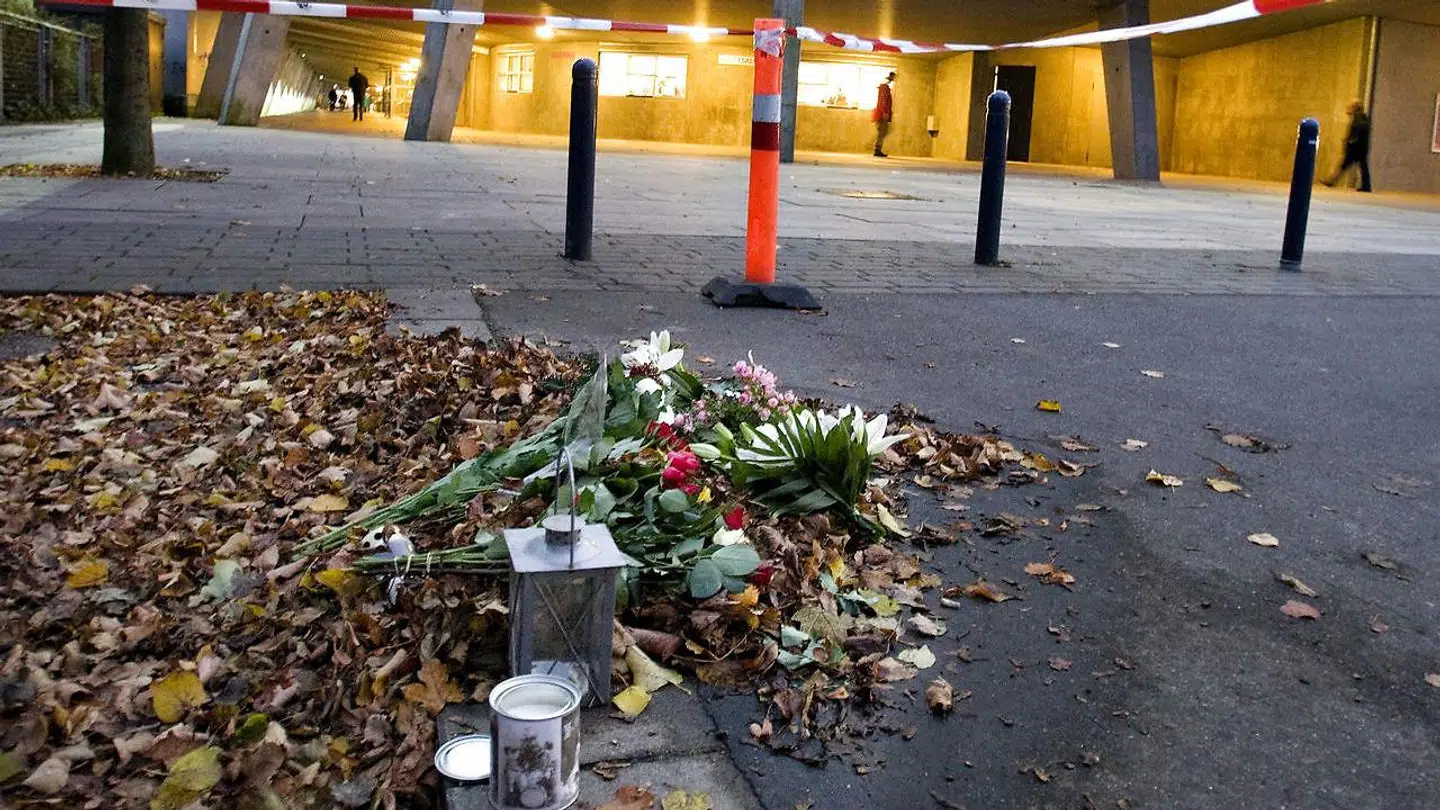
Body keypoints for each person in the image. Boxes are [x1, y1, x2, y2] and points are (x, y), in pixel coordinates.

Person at [1324, 100, 1371, 192]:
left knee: (1345, 165)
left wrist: (1351, 141)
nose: (1348, 109)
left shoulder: (1358, 118)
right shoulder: (1362, 117)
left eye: (1350, 107)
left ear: (1355, 108)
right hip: (1360, 148)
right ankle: (1366, 186)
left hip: (1356, 148)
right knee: (1360, 167)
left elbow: (1357, 130)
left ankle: (1332, 181)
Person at [872, 72, 896, 157]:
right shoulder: (884, 88)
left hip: (881, 113)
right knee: (882, 132)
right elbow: (883, 101)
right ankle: (877, 149)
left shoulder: (884, 88)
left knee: (883, 132)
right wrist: (884, 112)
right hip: (882, 114)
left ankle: (878, 148)